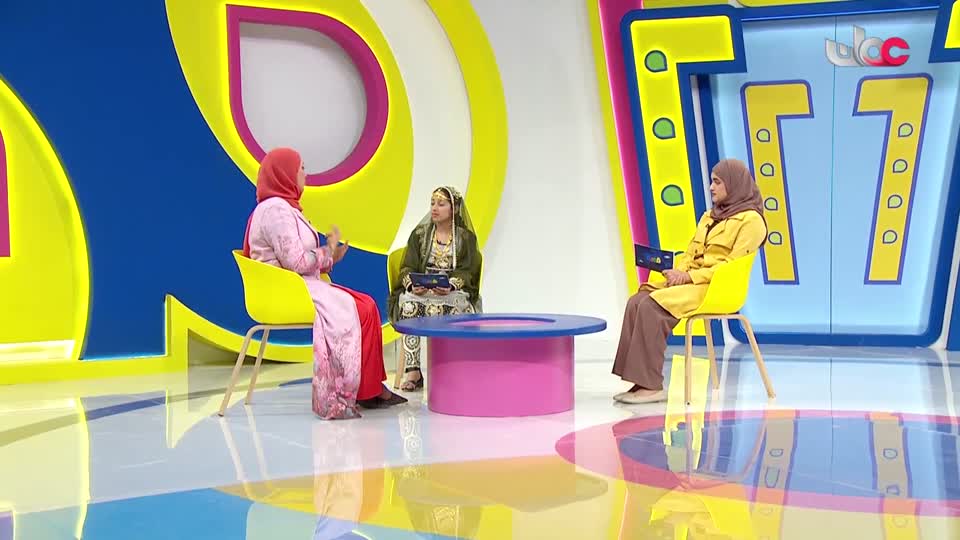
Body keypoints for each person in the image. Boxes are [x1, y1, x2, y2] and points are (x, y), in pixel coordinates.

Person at [242, 147, 406, 418]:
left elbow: (299, 259)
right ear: (285, 173)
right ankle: (364, 392)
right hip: (287, 291)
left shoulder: (284, 208)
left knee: (367, 305)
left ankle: (371, 388)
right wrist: (327, 252)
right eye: (301, 168)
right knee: (362, 309)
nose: (305, 174)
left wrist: (330, 257)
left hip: (298, 285)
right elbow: (296, 262)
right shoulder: (275, 211)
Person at [612, 158, 767, 404]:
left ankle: (652, 386)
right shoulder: (709, 216)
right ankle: (639, 382)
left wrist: (689, 277)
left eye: (717, 182)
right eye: (711, 181)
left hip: (716, 288)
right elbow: (690, 252)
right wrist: (678, 273)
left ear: (734, 184)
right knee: (637, 300)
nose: (711, 187)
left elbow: (731, 266)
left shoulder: (752, 221)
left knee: (651, 306)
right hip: (693, 282)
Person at [387, 186, 482, 392]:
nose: (434, 208)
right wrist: (414, 284)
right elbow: (407, 267)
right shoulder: (420, 235)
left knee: (458, 308)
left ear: (454, 209)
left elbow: (468, 271)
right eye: (432, 204)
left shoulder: (466, 238)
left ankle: (454, 367)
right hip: (423, 292)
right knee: (408, 305)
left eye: (441, 204)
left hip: (451, 292)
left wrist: (450, 284)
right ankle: (413, 371)